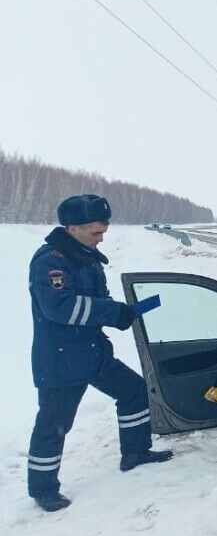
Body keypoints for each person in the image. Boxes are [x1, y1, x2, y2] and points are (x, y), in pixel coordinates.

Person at [27, 195, 173, 512]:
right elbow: (60, 307)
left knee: (135, 391)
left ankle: (135, 453)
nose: (101, 237)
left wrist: (120, 313)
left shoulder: (86, 257)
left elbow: (98, 301)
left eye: (103, 231)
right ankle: (43, 489)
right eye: (95, 232)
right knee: (54, 424)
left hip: (93, 353)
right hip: (60, 360)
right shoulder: (50, 262)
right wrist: (111, 312)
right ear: (72, 228)